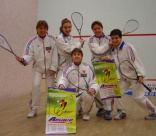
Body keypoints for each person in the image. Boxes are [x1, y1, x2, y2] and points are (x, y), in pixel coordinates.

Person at [101, 29, 156, 120]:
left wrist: (140, 75)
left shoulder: (128, 47)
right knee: (117, 92)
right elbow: (116, 62)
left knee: (138, 97)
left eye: (116, 38)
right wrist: (107, 59)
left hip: (135, 77)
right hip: (124, 78)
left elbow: (135, 60)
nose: (114, 40)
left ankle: (153, 111)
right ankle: (122, 112)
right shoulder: (114, 50)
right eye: (112, 38)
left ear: (121, 38)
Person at [16, 20, 58, 118]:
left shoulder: (52, 40)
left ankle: (49, 106)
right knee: (36, 86)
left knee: (50, 88)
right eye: (40, 28)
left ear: (47, 29)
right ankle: (34, 108)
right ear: (37, 29)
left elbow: (55, 55)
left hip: (50, 69)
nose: (42, 30)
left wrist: (53, 68)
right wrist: (22, 59)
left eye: (44, 28)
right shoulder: (32, 41)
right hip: (37, 68)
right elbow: (28, 56)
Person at [58, 48, 99, 121]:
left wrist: (93, 89)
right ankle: (78, 108)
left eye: (78, 54)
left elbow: (94, 81)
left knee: (89, 96)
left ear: (82, 56)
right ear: (72, 57)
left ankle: (86, 113)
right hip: (72, 94)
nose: (76, 56)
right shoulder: (68, 68)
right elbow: (63, 78)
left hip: (84, 92)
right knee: (70, 115)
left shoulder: (88, 67)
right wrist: (62, 84)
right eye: (74, 54)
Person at [88, 21, 114, 120]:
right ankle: (101, 108)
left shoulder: (109, 39)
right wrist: (108, 45)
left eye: (99, 28)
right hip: (96, 66)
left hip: (107, 66)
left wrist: (107, 57)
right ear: (92, 30)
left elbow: (112, 53)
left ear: (102, 28)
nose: (97, 30)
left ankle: (108, 110)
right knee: (96, 88)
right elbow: (97, 52)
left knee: (107, 88)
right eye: (95, 29)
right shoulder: (90, 40)